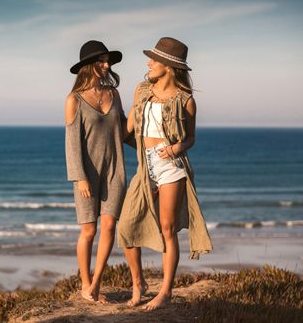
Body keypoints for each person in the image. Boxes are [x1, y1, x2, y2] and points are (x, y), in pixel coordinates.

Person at [117, 37, 213, 310]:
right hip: (145, 165)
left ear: (169, 67)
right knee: (126, 228)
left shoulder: (186, 101)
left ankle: (166, 292)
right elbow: (128, 128)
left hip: (171, 167)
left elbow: (191, 138)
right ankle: (139, 285)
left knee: (168, 230)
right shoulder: (142, 89)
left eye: (154, 59)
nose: (149, 62)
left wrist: (175, 148)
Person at [65, 40, 128, 303]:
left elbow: (124, 132)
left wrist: (153, 145)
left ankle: (96, 284)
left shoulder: (114, 94)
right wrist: (80, 176)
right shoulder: (74, 100)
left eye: (108, 61)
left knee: (110, 225)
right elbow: (72, 143)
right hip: (87, 174)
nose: (106, 65)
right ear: (89, 65)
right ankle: (85, 282)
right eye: (101, 61)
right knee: (89, 231)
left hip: (115, 169)